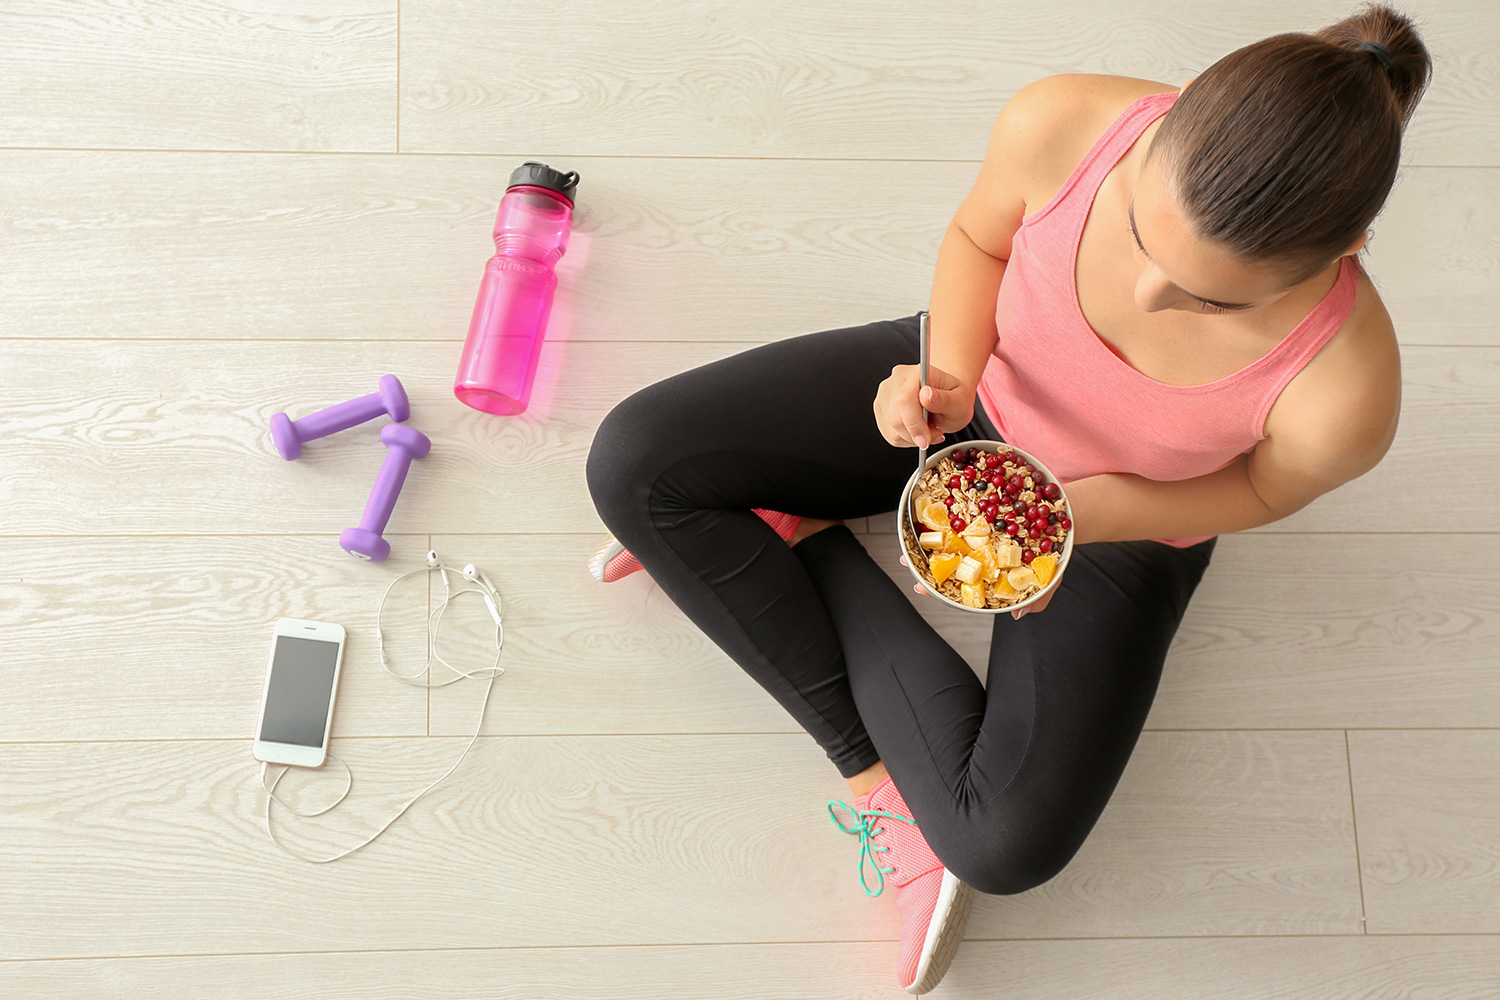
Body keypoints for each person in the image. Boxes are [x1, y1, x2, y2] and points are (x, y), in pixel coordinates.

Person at [586, 6, 1431, 994]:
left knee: (1004, 845)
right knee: (633, 463)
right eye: (1137, 236)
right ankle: (876, 779)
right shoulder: (1064, 120)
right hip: (980, 390)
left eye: (1210, 298)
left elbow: (1260, 487)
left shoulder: (1347, 390)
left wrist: (1092, 518)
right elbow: (979, 241)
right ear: (1169, 121)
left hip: (1126, 521)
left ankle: (799, 536)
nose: (1152, 297)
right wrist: (940, 379)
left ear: (1352, 248)